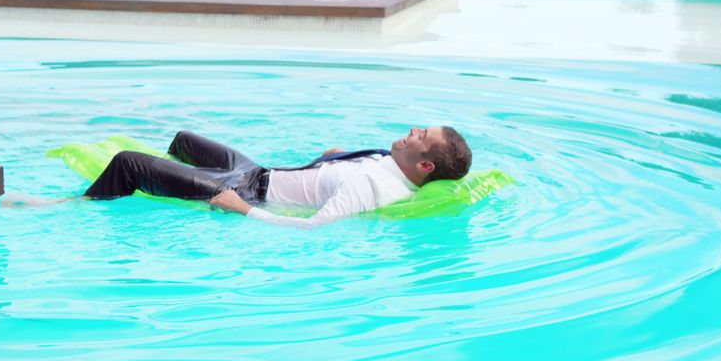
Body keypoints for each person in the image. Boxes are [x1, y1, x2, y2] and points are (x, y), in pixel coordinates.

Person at [84, 126, 472, 228]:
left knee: (127, 163)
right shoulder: (385, 160)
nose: (413, 130)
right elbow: (351, 165)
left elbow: (313, 227)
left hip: (243, 190)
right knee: (184, 140)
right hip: (255, 169)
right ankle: (174, 175)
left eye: (421, 137)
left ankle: (73, 203)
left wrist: (242, 210)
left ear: (425, 167)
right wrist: (332, 162)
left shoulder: (370, 188)